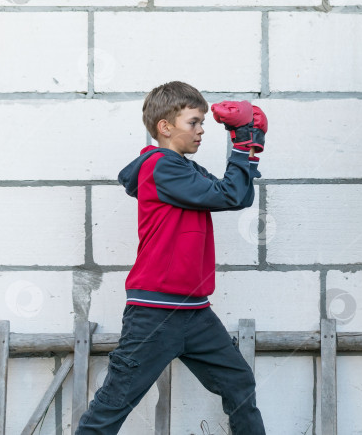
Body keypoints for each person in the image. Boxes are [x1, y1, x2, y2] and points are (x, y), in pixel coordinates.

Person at [76, 81, 267, 434]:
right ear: (165, 127)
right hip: (155, 313)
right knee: (113, 405)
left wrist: (249, 147)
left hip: (195, 312)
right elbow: (228, 196)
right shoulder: (161, 166)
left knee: (239, 385)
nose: (201, 130)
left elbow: (236, 195)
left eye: (202, 123)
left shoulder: (186, 169)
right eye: (193, 122)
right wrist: (242, 142)